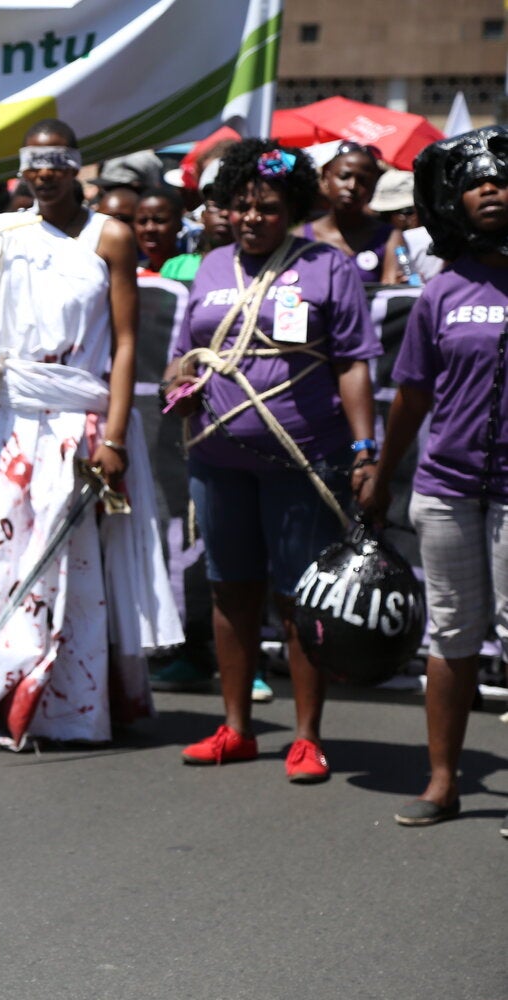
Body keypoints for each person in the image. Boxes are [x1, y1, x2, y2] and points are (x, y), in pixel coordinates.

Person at [0, 119, 182, 749]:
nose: (45, 171)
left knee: (69, 569)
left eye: (57, 160)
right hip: (6, 422)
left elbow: (127, 343)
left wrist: (116, 437)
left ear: (77, 166)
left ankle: (65, 705)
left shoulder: (112, 237)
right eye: (34, 161)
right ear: (22, 170)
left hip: (77, 419)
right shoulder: (1, 235)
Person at [163, 139, 380, 782]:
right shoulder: (209, 268)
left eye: (266, 207)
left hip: (303, 461)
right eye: (240, 207)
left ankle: (307, 737)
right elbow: (182, 353)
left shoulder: (327, 267)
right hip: (218, 459)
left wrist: (366, 449)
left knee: (299, 599)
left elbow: (353, 363)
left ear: (290, 208)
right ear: (225, 209)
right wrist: (181, 376)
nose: (252, 218)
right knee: (232, 592)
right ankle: (236, 728)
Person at [359, 126, 508, 833]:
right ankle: (443, 781)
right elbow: (411, 398)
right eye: (477, 181)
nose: (492, 190)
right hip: (446, 488)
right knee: (451, 633)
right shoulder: (441, 292)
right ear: (455, 199)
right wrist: (383, 476)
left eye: (502, 180)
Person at [300, 142, 400, 283]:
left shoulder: (390, 238)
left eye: (363, 180)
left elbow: (391, 293)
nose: (352, 186)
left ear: (374, 186)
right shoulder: (300, 237)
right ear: (326, 178)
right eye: (344, 176)